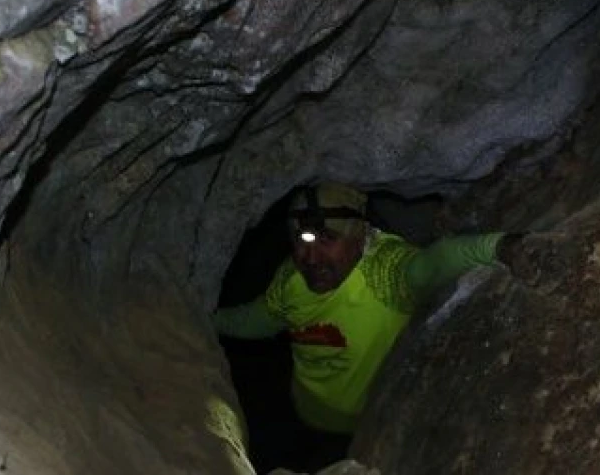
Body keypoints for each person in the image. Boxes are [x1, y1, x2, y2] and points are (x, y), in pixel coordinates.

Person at [214, 182, 527, 450]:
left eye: (327, 240)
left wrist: (499, 247)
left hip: (365, 429)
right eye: (301, 241)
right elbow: (258, 320)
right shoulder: (291, 280)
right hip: (302, 417)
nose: (310, 258)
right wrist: (205, 318)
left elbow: (435, 263)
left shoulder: (384, 274)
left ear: (360, 236)